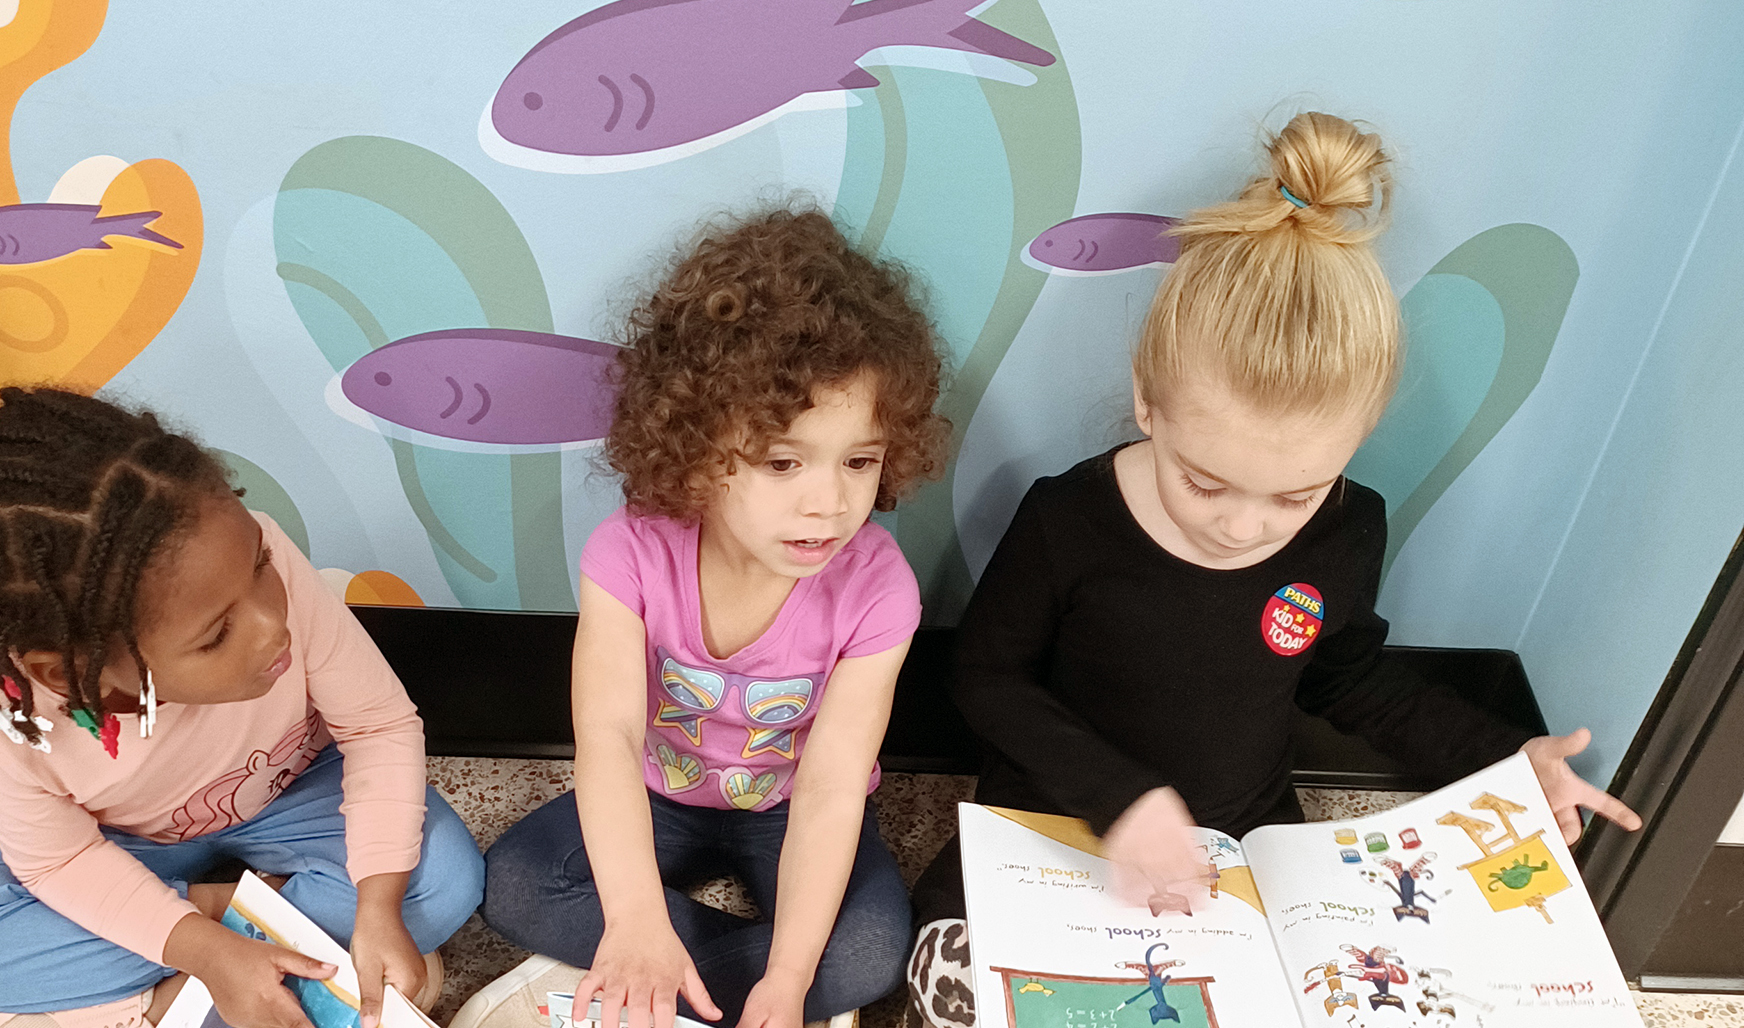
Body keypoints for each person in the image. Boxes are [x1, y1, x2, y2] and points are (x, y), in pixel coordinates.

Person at [903, 112, 1643, 1028]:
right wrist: (1123, 801)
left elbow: (1355, 678)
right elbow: (986, 679)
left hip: (1245, 844)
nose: (1245, 528)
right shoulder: (1069, 518)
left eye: (1295, 495)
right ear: (1148, 400)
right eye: (1205, 484)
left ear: (1356, 439)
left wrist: (1504, 762)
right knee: (954, 979)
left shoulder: (1350, 527)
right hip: (1050, 823)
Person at [463, 208, 952, 1028]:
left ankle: (648, 984)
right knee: (514, 882)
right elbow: (609, 737)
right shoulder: (630, 553)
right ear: (699, 446)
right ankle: (651, 963)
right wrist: (635, 920)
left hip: (792, 809)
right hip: (660, 792)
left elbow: (833, 789)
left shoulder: (879, 589)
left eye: (859, 461)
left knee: (866, 953)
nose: (829, 502)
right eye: (783, 461)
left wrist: (789, 981)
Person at [0, 387, 483, 1028]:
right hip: (122, 846)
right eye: (216, 634)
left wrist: (380, 908)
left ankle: (164, 991)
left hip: (296, 791)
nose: (272, 625)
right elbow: (60, 860)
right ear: (68, 670)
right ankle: (241, 937)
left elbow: (378, 724)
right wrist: (209, 946)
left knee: (440, 881)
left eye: (261, 565)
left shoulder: (237, 562)